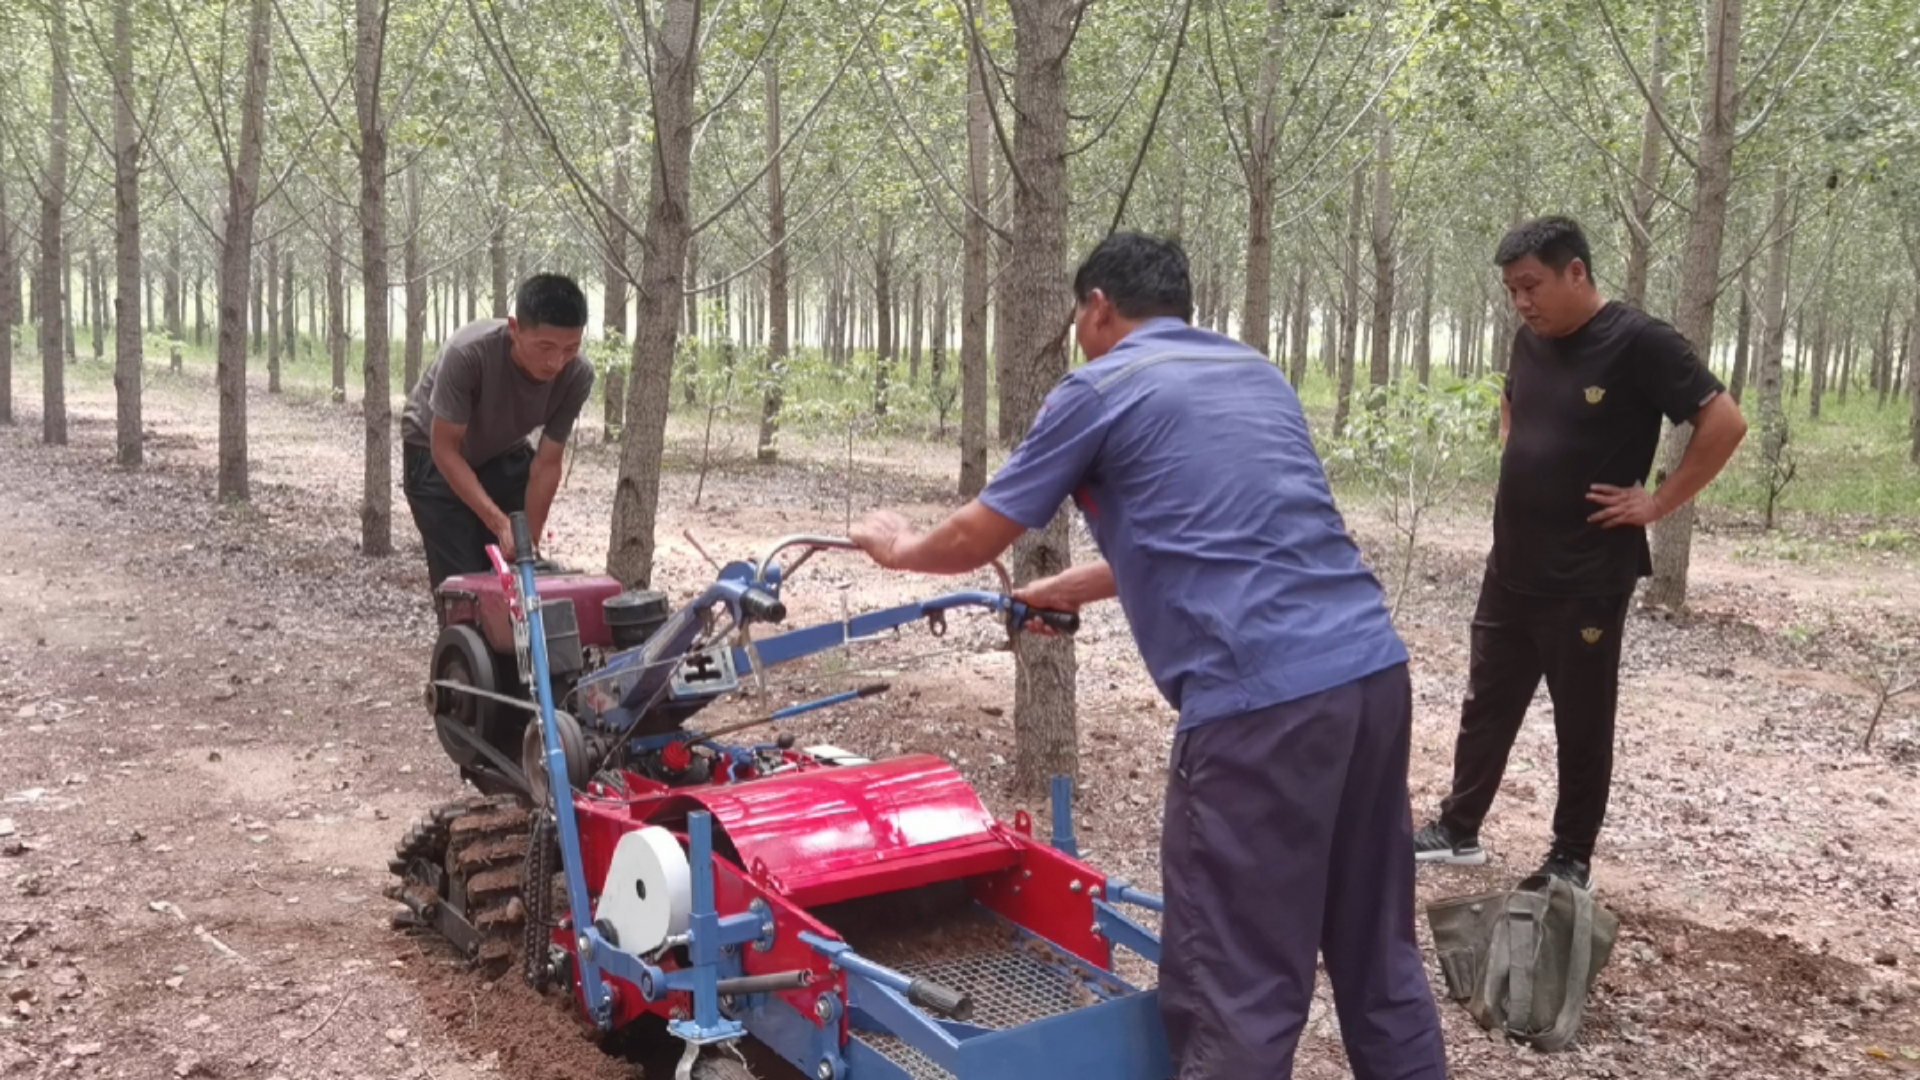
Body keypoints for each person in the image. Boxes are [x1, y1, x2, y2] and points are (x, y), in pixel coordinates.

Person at [848, 232, 1447, 1080]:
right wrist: (1065, 588)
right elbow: (1225, 540)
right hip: (1369, 676)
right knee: (1376, 954)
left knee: (1235, 981)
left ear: (1096, 307)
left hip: (1258, 705)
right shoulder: (1255, 373)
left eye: (1078, 317)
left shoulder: (1099, 386)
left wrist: (898, 545)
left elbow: (980, 530)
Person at [1411, 216, 1748, 891]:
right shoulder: (1529, 342)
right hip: (1512, 565)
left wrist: (1658, 502)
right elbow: (1513, 404)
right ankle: (1458, 827)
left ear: (1576, 272)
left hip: (1587, 574)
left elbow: (1725, 420)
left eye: (1531, 285)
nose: (1522, 302)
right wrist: (1518, 450)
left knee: (1581, 718)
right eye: (1511, 291)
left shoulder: (1639, 342)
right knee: (1488, 701)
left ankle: (1571, 857)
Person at [400, 274, 594, 589]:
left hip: (501, 450)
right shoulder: (468, 353)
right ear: (515, 328)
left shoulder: (578, 376)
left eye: (570, 348)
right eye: (545, 347)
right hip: (432, 451)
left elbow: (547, 464)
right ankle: (463, 636)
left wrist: (525, 544)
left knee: (521, 577)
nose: (556, 362)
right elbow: (445, 449)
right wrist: (499, 522)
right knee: (466, 585)